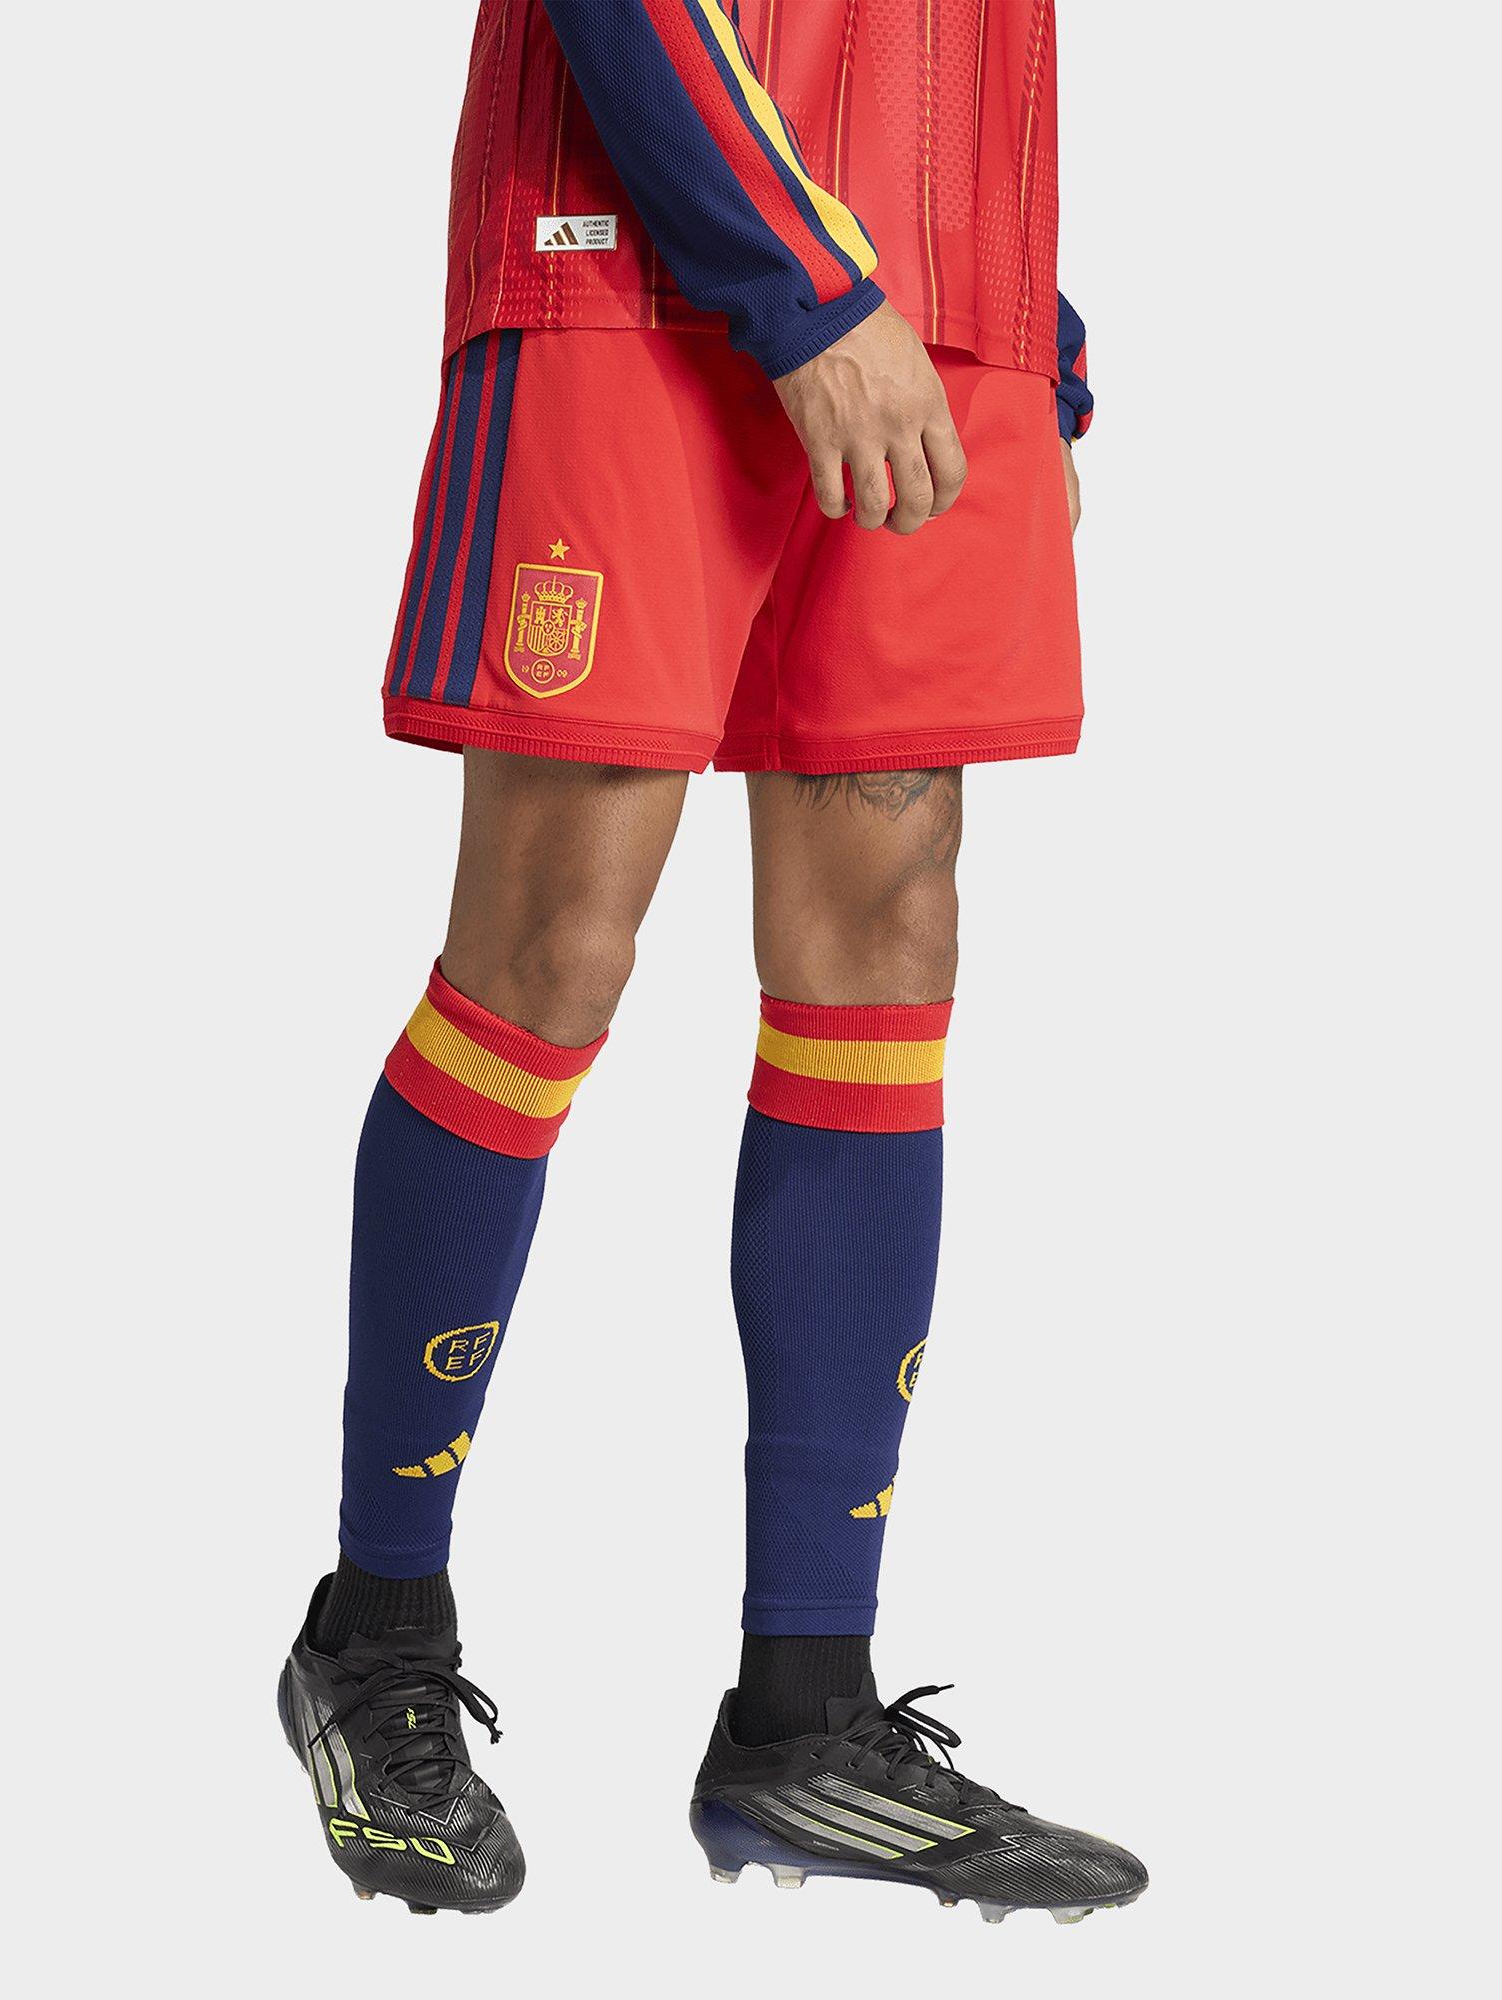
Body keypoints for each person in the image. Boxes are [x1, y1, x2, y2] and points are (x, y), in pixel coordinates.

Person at [279, 0, 1146, 1922]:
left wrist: (1031, 333)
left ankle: (803, 1718)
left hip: (941, 303)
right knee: (551, 944)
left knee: (887, 939)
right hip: (641, 260)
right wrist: (808, 287)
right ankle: (374, 1630)